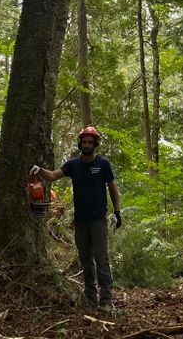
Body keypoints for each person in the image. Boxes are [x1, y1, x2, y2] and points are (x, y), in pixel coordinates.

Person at [30, 125, 121, 310]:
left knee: (102, 259)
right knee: (86, 260)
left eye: (90, 142)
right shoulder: (73, 164)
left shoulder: (103, 164)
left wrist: (117, 212)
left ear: (95, 144)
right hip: (80, 221)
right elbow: (53, 176)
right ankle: (90, 298)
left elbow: (113, 188)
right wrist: (38, 169)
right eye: (84, 141)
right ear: (80, 144)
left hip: (98, 220)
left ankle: (106, 300)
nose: (87, 144)